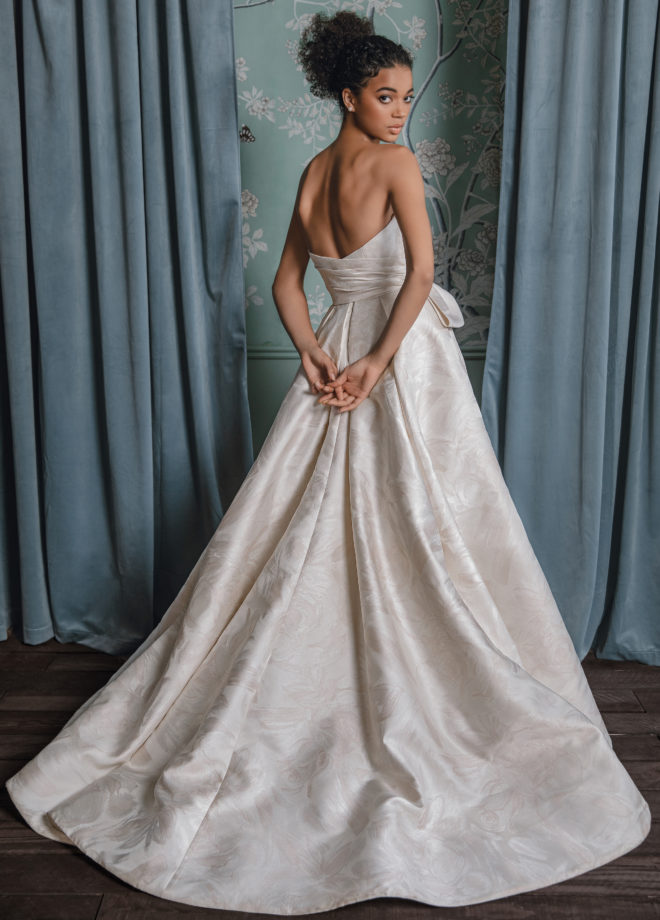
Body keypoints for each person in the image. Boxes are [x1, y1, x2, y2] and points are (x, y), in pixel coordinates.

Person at [5, 9, 651, 916]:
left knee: (322, 516)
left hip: (343, 345)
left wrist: (315, 355)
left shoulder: (314, 174)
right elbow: (420, 276)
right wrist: (377, 364)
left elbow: (283, 286)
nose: (400, 112)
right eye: (385, 97)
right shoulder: (392, 166)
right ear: (348, 96)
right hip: (395, 354)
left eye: (405, 97)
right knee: (426, 517)